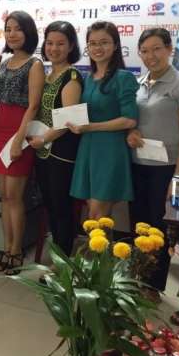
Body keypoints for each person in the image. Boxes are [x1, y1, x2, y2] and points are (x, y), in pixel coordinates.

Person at [127, 28, 179, 300]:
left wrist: (178, 176)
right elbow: (133, 121)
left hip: (167, 168)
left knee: (158, 227)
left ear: (169, 49)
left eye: (156, 49)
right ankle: (137, 278)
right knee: (139, 224)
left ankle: (153, 286)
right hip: (137, 164)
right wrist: (131, 133)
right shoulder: (138, 83)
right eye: (144, 50)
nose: (150, 56)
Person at [0, 11, 45, 275]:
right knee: (4, 196)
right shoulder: (3, 63)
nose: (12, 34)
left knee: (15, 197)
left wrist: (19, 140)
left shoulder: (35, 64)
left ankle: (16, 251)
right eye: (8, 29)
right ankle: (6, 248)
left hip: (18, 132)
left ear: (28, 32)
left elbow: (33, 105)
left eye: (17, 29)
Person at [69, 21, 139, 219]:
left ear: (115, 45)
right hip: (88, 147)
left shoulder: (123, 77)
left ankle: (99, 243)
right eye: (92, 43)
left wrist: (91, 127)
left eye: (104, 42)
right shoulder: (87, 78)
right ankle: (101, 242)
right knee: (94, 213)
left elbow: (130, 120)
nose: (98, 48)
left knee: (97, 213)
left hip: (110, 149)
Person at [29, 21, 83, 257]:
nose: (54, 48)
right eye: (49, 43)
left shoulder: (72, 76)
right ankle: (57, 257)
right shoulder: (49, 74)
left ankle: (63, 262)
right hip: (43, 151)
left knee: (62, 208)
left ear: (71, 46)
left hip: (61, 152)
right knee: (50, 205)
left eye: (60, 44)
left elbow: (68, 120)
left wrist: (43, 139)